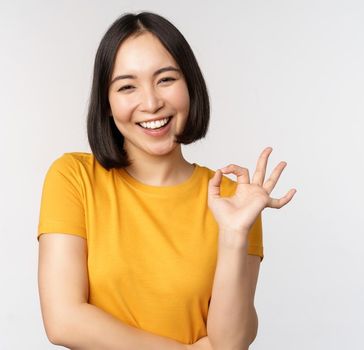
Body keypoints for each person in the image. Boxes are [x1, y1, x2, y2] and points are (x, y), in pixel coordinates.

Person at [36, 12, 296, 350]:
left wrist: (234, 234)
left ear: (190, 85)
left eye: (166, 79)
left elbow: (230, 344)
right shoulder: (74, 177)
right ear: (107, 103)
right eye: (127, 86)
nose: (151, 102)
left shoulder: (234, 200)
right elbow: (64, 321)